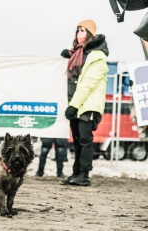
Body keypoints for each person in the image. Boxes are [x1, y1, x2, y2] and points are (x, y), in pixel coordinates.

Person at [60, 19, 108, 186]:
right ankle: (76, 173)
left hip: (87, 106)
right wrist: (68, 55)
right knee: (78, 140)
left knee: (85, 140)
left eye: (82, 30)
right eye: (77, 30)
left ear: (90, 34)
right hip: (75, 104)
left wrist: (73, 105)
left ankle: (84, 175)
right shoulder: (78, 54)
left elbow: (87, 84)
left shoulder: (97, 57)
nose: (78, 33)